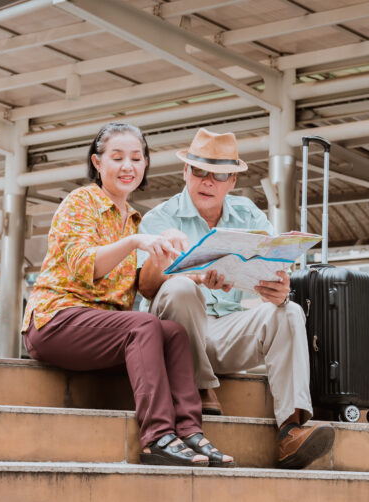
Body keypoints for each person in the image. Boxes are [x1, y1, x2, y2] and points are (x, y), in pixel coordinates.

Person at [21, 122, 235, 467]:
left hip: (104, 329)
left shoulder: (133, 219)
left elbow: (140, 282)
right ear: (97, 162)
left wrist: (202, 276)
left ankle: (190, 432)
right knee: (145, 325)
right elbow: (84, 264)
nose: (128, 167)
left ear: (146, 164)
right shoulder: (81, 202)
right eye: (117, 157)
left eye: (136, 158)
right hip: (56, 321)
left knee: (173, 333)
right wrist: (136, 242)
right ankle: (158, 437)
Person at [137, 128, 334, 469]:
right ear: (185, 172)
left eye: (219, 175)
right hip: (176, 340)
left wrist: (279, 289)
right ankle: (199, 387)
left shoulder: (249, 215)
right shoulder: (160, 219)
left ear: (232, 181)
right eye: (199, 171)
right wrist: (195, 276)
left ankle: (291, 430)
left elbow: (275, 265)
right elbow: (145, 286)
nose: (207, 181)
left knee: (289, 311)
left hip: (225, 330)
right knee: (182, 289)